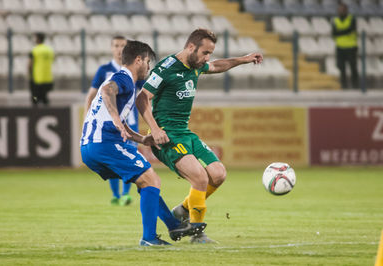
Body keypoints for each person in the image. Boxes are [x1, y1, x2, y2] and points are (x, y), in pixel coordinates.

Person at [136, 28, 263, 243]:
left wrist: (244, 59)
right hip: (166, 136)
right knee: (200, 177)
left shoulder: (196, 64)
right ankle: (197, 233)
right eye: (205, 53)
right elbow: (142, 98)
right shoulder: (166, 68)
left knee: (218, 174)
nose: (207, 58)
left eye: (210, 53)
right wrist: (155, 130)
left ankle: (182, 210)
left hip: (185, 133)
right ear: (191, 47)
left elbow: (216, 66)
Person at [80, 40, 206, 246]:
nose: (149, 67)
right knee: (152, 180)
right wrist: (116, 120)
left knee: (145, 181)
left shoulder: (124, 80)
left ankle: (174, 225)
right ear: (138, 60)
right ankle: (149, 238)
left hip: (91, 147)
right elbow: (107, 92)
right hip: (104, 144)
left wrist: (141, 139)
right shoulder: (124, 79)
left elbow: (117, 118)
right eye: (147, 61)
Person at [84, 35, 136, 206]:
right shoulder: (104, 70)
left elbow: (143, 95)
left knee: (129, 154)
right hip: (107, 122)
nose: (119, 49)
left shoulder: (134, 71)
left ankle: (126, 194)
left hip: (129, 120)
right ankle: (116, 194)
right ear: (111, 48)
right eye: (116, 45)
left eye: (122, 45)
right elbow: (91, 96)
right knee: (112, 156)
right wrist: (87, 118)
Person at [332, 2, 359, 89]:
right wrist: (344, 32)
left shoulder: (352, 19)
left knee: (353, 67)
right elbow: (334, 33)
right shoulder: (335, 20)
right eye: (339, 9)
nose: (341, 11)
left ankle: (355, 85)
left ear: (346, 10)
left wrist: (340, 32)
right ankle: (344, 86)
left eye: (343, 9)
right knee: (341, 68)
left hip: (351, 46)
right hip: (340, 47)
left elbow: (351, 30)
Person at [28, 32, 54, 105]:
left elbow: (30, 64)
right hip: (48, 78)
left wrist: (29, 76)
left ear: (38, 39)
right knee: (44, 97)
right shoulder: (49, 50)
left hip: (37, 79)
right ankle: (47, 110)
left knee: (35, 98)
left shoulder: (35, 50)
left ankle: (35, 113)